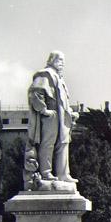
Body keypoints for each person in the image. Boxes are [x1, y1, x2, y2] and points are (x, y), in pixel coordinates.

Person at [27, 50, 79, 184]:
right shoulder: (45, 74)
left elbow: (62, 101)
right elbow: (35, 93)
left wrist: (70, 113)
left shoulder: (59, 78)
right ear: (52, 60)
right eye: (60, 60)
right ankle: (46, 172)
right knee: (48, 143)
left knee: (63, 143)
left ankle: (63, 174)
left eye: (63, 60)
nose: (63, 63)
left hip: (62, 116)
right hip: (52, 116)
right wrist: (44, 110)